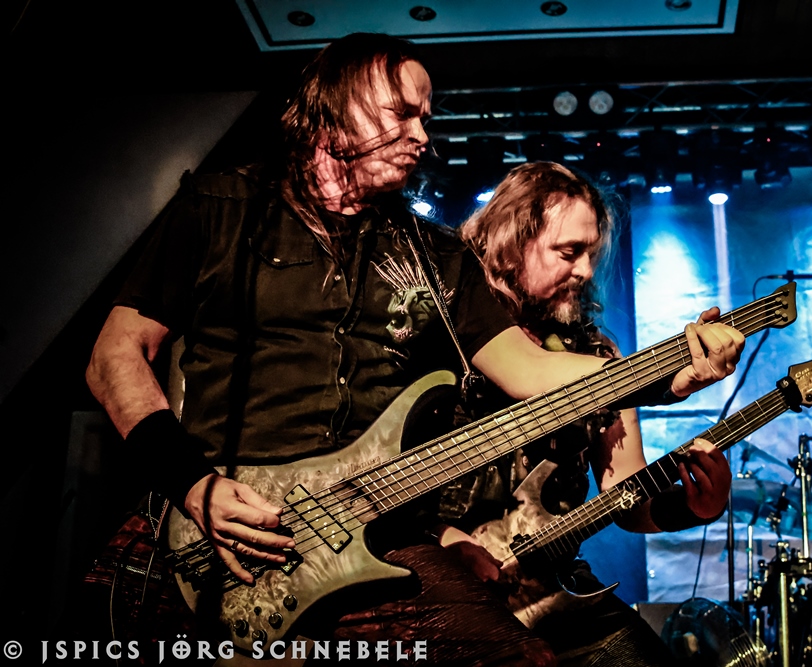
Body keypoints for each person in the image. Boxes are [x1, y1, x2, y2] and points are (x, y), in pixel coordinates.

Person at [84, 34, 744, 665]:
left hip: (373, 527)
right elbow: (115, 357)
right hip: (215, 522)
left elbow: (529, 369)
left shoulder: (437, 255)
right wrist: (191, 483)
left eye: (426, 118)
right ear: (333, 107)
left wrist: (669, 370)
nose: (422, 135)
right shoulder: (219, 206)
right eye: (401, 113)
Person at [430, 161, 739, 666]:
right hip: (441, 589)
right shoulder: (442, 344)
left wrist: (697, 506)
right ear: (512, 244)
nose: (587, 271)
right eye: (569, 252)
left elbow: (629, 499)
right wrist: (442, 542)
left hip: (554, 590)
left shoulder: (598, 356)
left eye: (591, 253)